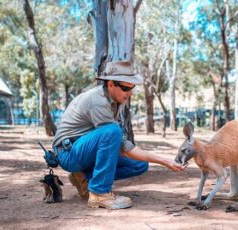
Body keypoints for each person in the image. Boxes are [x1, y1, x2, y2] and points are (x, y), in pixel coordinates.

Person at [52, 61, 185, 210]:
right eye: (125, 88)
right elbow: (121, 146)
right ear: (110, 85)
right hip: (68, 154)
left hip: (84, 151)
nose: (130, 93)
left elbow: (122, 145)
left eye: (132, 87)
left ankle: (83, 177)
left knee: (140, 164)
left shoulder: (116, 101)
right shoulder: (98, 101)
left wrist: (162, 161)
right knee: (112, 131)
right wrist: (163, 161)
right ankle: (99, 193)